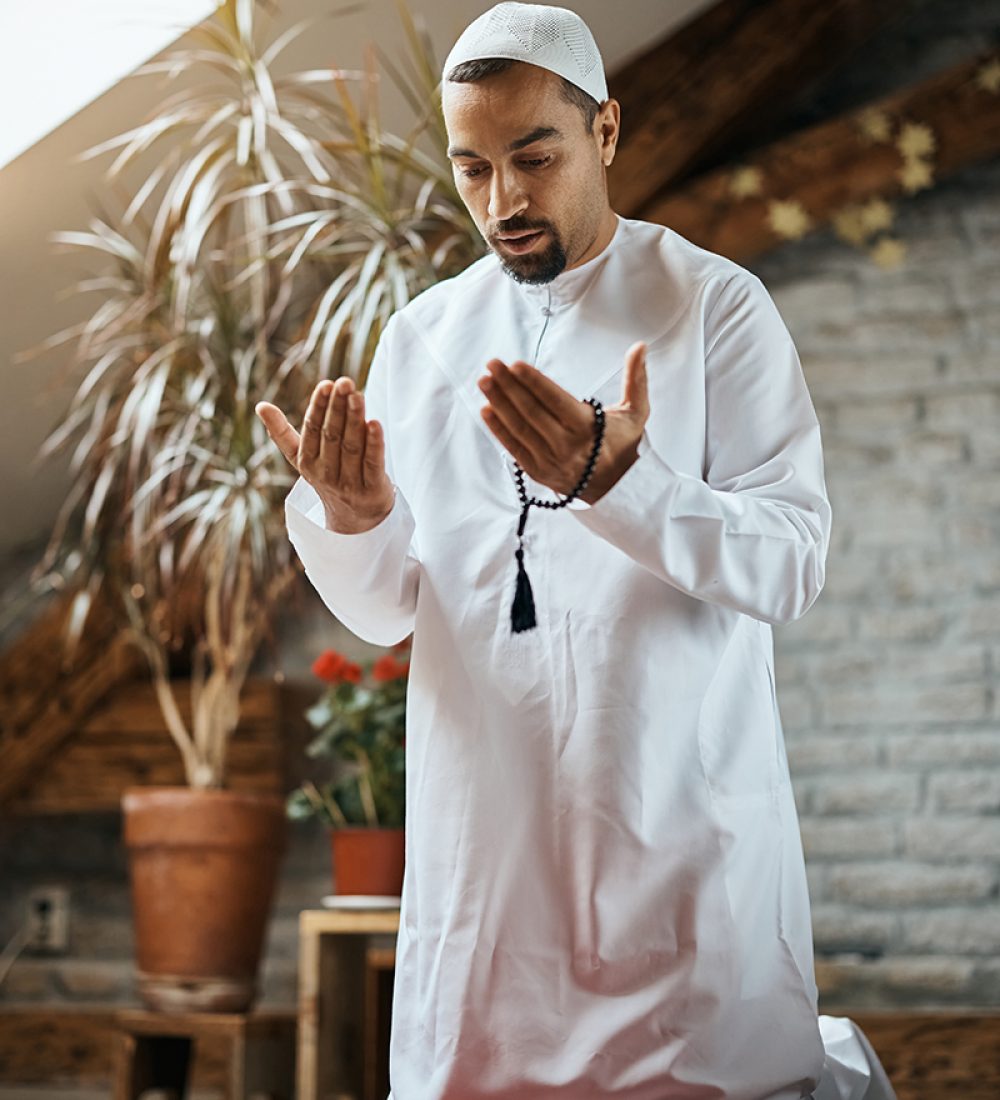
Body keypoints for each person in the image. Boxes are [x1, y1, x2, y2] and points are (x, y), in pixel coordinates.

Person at [257, 4, 897, 1098]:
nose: (503, 199)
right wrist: (356, 518)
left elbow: (790, 557)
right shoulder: (424, 337)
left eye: (533, 156)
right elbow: (390, 609)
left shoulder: (712, 309)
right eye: (471, 167)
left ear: (604, 131)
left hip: (673, 832)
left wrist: (622, 486)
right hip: (487, 856)